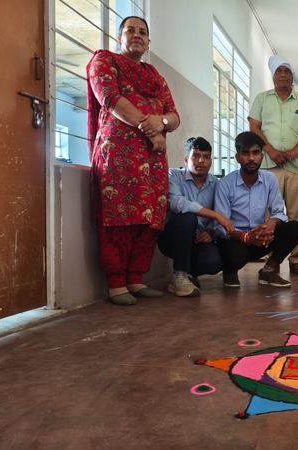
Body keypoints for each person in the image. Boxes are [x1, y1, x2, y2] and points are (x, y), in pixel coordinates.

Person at [87, 16, 180, 306]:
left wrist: (162, 122)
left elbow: (174, 116)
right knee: (119, 217)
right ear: (119, 38)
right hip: (118, 156)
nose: (137, 35)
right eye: (130, 30)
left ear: (149, 42)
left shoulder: (156, 77)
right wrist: (150, 128)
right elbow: (110, 98)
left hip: (154, 160)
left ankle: (135, 279)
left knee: (150, 219)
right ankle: (116, 284)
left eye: (142, 32)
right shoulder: (105, 61)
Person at [248, 55, 298, 276]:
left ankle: (296, 260)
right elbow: (254, 126)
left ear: (292, 75)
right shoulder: (262, 99)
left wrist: (293, 153)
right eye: (279, 71)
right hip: (268, 168)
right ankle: (272, 258)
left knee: (296, 216)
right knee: (270, 216)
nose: (284, 75)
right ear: (273, 75)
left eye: (287, 71)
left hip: (297, 168)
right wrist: (270, 151)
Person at [214, 131, 298, 289]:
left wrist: (271, 224)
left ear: (262, 156)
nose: (251, 158)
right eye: (245, 153)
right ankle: (230, 271)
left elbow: (279, 213)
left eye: (256, 153)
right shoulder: (225, 184)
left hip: (260, 238)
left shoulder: (269, 179)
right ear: (237, 157)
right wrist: (247, 237)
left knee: (294, 228)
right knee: (235, 255)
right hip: (235, 240)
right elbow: (220, 227)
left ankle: (268, 271)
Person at [157, 137, 235, 297]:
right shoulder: (174, 175)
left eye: (206, 157)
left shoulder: (217, 184)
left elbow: (221, 210)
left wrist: (211, 231)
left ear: (211, 161)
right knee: (188, 217)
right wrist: (214, 215)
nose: (201, 161)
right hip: (172, 237)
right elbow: (176, 202)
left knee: (213, 263)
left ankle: (189, 275)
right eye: (196, 156)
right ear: (186, 159)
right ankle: (179, 276)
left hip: (198, 239)